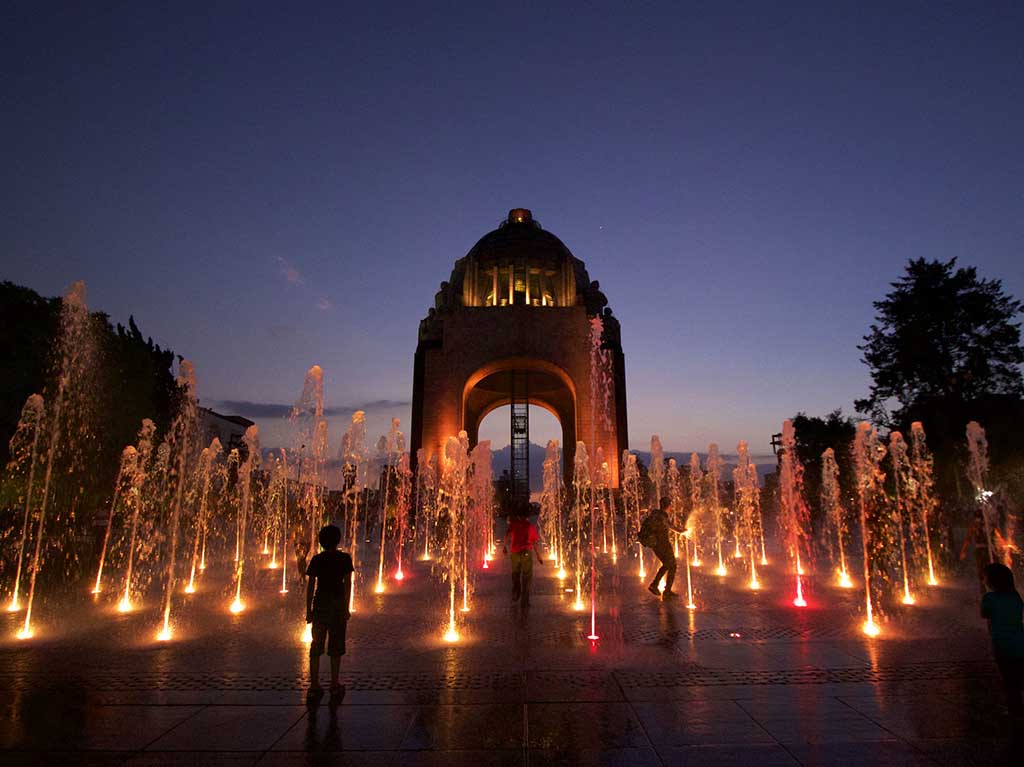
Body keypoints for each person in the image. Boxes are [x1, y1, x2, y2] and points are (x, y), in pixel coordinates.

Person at [305, 524, 354, 704]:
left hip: (320, 606)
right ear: (338, 540)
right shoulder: (344, 559)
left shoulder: (317, 559)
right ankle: (334, 683)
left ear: (321, 541)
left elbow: (310, 587)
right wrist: (347, 607)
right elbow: (348, 584)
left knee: (316, 645)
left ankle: (315, 685)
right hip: (338, 606)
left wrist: (308, 610)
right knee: (336, 646)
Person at [981, 562, 1024, 715]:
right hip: (1020, 642)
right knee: (1019, 675)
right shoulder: (1015, 596)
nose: (983, 580)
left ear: (991, 581)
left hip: (1002, 645)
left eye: (984, 578)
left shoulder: (989, 598)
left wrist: (985, 597)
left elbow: (984, 613)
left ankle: (1015, 709)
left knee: (1009, 679)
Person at [639, 496, 683, 600]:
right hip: (661, 544)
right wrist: (681, 531)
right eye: (670, 505)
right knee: (670, 564)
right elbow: (670, 526)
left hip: (658, 544)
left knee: (671, 565)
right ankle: (655, 585)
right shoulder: (661, 516)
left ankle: (666, 590)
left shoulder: (656, 514)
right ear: (668, 506)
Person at [503, 502, 544, 608]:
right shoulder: (530, 526)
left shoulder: (514, 525)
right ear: (527, 516)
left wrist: (504, 547)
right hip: (526, 552)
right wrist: (539, 556)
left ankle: (516, 592)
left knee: (515, 574)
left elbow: (507, 535)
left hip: (515, 552)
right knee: (526, 576)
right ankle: (525, 601)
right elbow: (534, 542)